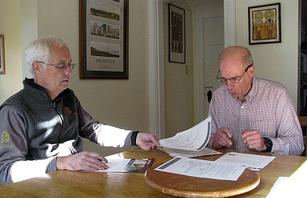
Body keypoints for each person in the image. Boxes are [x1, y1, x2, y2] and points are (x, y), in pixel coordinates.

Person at [0, 37, 160, 184]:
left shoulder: (67, 97)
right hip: (41, 185)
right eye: (61, 65)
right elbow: (6, 170)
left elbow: (93, 129)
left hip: (76, 179)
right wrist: (62, 162)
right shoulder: (14, 110)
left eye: (70, 65)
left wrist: (133, 137)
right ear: (37, 67)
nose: (69, 72)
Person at [209, 45, 304, 155]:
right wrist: (215, 141)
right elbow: (207, 139)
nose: (229, 87)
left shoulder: (277, 95)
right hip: (228, 168)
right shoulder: (218, 97)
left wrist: (266, 144)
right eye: (224, 79)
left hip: (267, 170)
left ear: (251, 71)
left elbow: (297, 145)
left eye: (234, 79)